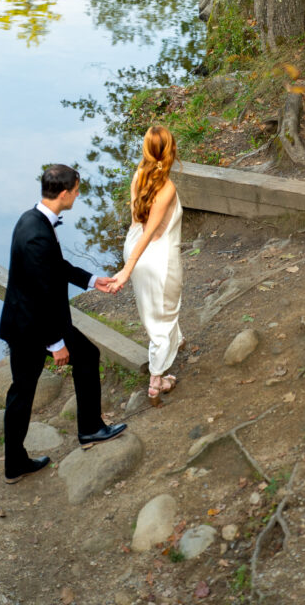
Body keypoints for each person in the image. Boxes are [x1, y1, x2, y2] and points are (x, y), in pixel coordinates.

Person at [0, 164, 126, 484]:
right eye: (77, 190)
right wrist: (55, 344)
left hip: (32, 320)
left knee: (82, 360)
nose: (79, 195)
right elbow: (41, 294)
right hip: (32, 327)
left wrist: (93, 280)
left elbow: (57, 268)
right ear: (65, 193)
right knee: (23, 394)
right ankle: (87, 431)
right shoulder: (37, 235)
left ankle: (87, 430)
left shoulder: (33, 219)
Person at [108, 126, 183, 406]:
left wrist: (129, 262)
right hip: (157, 256)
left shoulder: (139, 175)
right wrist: (126, 269)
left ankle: (177, 338)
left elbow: (137, 223)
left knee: (153, 306)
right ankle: (156, 380)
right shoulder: (167, 188)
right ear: (172, 151)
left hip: (134, 244)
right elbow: (152, 231)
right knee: (165, 310)